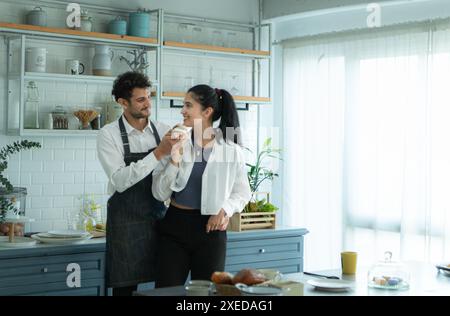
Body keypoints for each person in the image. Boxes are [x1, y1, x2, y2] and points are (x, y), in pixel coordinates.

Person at [152, 84, 251, 287]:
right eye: (183, 105)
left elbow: (242, 192)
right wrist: (174, 161)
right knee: (165, 292)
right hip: (174, 227)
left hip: (211, 231)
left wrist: (224, 210)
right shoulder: (176, 141)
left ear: (207, 112)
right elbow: (158, 193)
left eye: (188, 105)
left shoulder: (230, 149)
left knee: (208, 294)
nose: (182, 110)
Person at [97, 71, 177, 296]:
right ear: (122, 102)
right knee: (125, 291)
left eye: (149, 97)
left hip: (159, 221)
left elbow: (174, 174)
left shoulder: (162, 130)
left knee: (163, 289)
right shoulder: (108, 135)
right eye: (140, 99)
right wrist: (159, 153)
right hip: (125, 225)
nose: (147, 104)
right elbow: (120, 181)